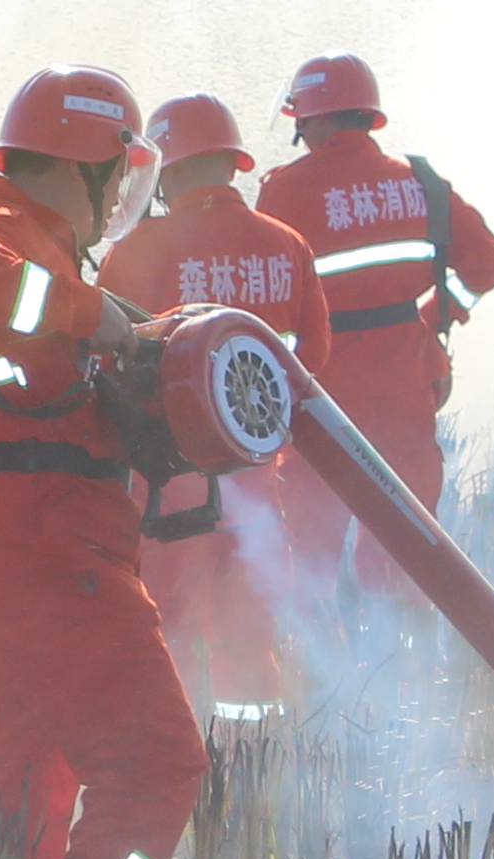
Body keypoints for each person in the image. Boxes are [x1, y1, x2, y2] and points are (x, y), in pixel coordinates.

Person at [0, 66, 210, 859]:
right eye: (116, 179)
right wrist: (108, 323)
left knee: (19, 786)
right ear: (89, 167)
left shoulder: (40, 247)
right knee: (160, 767)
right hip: (51, 548)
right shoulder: (3, 237)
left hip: (11, 541)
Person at [100, 92, 326, 723]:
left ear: (165, 172)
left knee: (163, 628)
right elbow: (313, 364)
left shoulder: (141, 250)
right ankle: (247, 766)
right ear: (233, 163)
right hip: (255, 484)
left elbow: (98, 365)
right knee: (247, 630)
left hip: (167, 490)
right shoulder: (287, 247)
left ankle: (170, 753)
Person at [254, 49, 494, 559]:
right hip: (407, 380)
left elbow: (267, 300)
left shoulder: (283, 193)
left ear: (314, 117)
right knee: (407, 544)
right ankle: (407, 634)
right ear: (367, 116)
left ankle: (315, 638)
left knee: (308, 543)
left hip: (320, 388)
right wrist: (433, 316)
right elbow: (489, 261)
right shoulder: (421, 183)